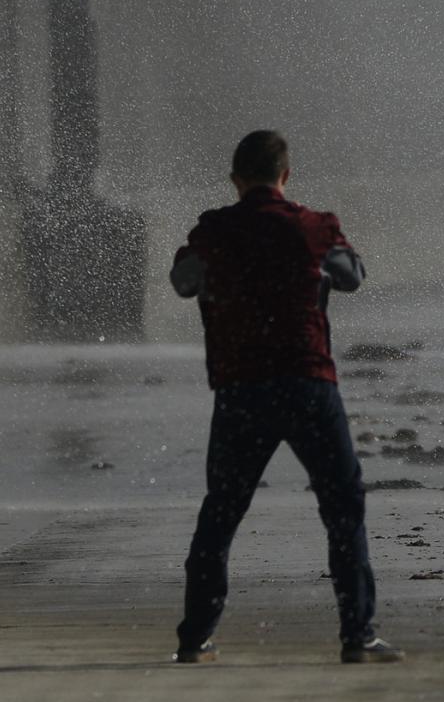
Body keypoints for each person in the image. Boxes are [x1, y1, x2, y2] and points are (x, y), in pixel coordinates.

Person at [168, 130, 402, 665]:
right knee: (342, 506)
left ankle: (194, 637)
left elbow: (183, 282)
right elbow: (352, 277)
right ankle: (357, 634)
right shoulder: (315, 226)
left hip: (240, 389)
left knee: (222, 512)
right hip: (308, 383)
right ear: (286, 175)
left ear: (236, 179)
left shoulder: (214, 231)